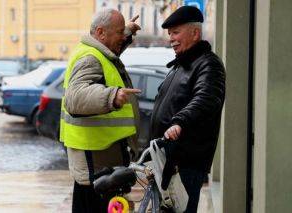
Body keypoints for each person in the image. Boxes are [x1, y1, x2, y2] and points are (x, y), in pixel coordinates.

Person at [60, 9, 141, 212]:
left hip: (100, 159)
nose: (122, 37)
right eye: (119, 32)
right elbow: (75, 97)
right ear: (101, 32)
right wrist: (111, 96)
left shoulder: (97, 51)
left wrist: (127, 32)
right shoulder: (89, 58)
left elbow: (110, 54)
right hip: (94, 163)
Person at [149, 6, 226, 213]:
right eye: (169, 34)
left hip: (185, 165)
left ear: (195, 33)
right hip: (167, 161)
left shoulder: (209, 65)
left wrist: (179, 121)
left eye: (176, 32)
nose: (171, 39)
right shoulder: (180, 65)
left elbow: (206, 98)